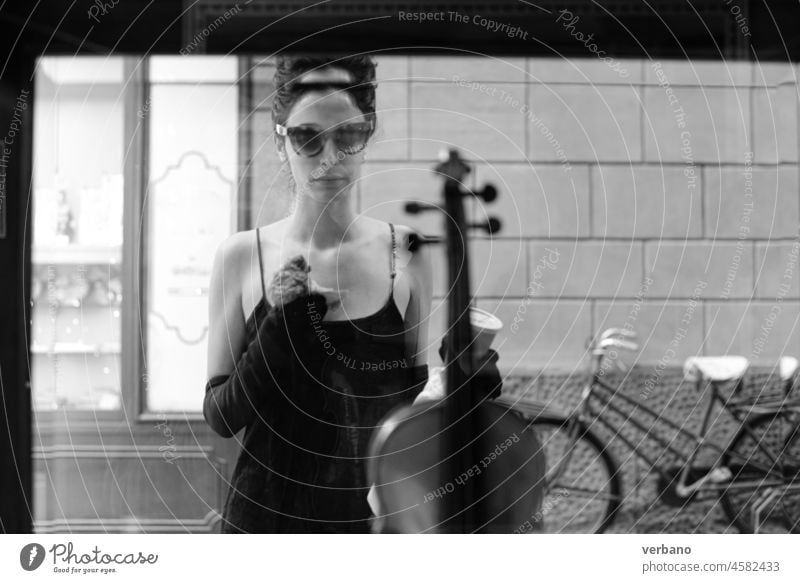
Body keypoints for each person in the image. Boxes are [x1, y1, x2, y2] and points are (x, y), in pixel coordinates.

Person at [203, 54, 502, 534]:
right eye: (307, 138)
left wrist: (467, 390)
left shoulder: (406, 253)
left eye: (348, 136)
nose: (329, 159)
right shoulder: (242, 256)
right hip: (261, 529)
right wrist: (284, 327)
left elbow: (407, 413)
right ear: (280, 140)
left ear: (368, 135)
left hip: (371, 529)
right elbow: (221, 415)